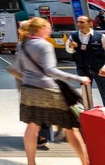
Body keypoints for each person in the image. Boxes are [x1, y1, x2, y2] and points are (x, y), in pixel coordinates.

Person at [14, 17, 90, 165]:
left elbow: (21, 68)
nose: (50, 30)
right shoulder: (44, 45)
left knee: (33, 125)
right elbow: (50, 70)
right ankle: (85, 162)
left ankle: (31, 162)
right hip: (47, 89)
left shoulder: (23, 44)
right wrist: (77, 78)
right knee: (71, 126)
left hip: (28, 89)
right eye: (48, 27)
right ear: (41, 29)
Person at [65, 15, 105, 106]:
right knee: (86, 93)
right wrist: (71, 47)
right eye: (78, 22)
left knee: (104, 92)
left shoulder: (100, 36)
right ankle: (89, 113)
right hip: (82, 68)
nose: (79, 24)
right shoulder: (73, 36)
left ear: (90, 23)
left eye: (82, 22)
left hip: (99, 69)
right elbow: (68, 50)